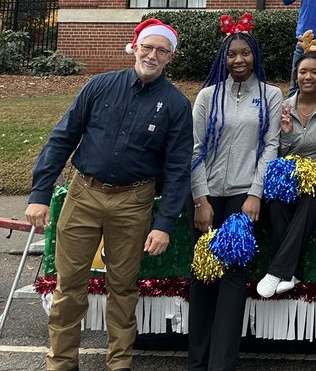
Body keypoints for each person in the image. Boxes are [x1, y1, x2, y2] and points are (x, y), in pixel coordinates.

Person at [26, 19, 192, 371]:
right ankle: (61, 363)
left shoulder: (176, 105)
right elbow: (63, 137)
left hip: (134, 202)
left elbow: (178, 169)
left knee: (122, 288)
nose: (153, 55)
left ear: (170, 57)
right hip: (83, 194)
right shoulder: (99, 86)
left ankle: (119, 364)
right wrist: (40, 193)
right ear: (135, 46)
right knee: (69, 286)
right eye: (148, 47)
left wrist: (163, 224)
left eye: (162, 50)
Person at [188, 17, 283, 371]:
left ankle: (221, 365)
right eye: (232, 54)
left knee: (232, 278)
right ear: (223, 59)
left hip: (244, 196)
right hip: (207, 196)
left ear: (255, 57)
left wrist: (255, 193)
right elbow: (194, 149)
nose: (239, 60)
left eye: (245, 53)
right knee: (203, 275)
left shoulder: (271, 95)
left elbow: (270, 145)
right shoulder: (207, 96)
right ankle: (196, 363)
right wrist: (201, 199)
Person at [256, 47, 316, 299]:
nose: (308, 77)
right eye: (303, 72)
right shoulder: (284, 107)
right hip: (290, 169)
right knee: (278, 199)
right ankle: (290, 273)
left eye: (314, 72)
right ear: (296, 75)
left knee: (310, 199)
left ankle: (277, 270)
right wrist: (288, 133)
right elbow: (280, 151)